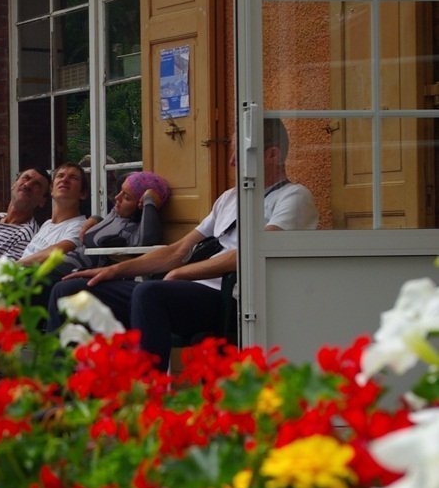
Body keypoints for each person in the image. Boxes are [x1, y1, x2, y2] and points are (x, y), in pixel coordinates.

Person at [47, 119, 318, 371]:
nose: (232, 161)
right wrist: (114, 271)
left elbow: (251, 253)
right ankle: (59, 391)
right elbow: (178, 250)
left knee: (150, 293)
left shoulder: (293, 197)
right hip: (189, 290)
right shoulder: (229, 198)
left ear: (272, 155)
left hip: (232, 299)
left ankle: (146, 393)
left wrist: (183, 272)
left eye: (239, 152)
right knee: (70, 289)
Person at [50, 171, 169, 279]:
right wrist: (96, 219)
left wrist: (149, 200)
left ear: (140, 206)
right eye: (120, 191)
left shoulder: (130, 230)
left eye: (126, 197)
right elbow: (108, 226)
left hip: (76, 275)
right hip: (59, 269)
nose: (117, 197)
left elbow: (148, 239)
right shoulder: (117, 214)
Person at [18, 162, 89, 267]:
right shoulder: (47, 224)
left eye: (73, 177)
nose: (64, 180)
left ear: (83, 193)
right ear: (51, 189)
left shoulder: (81, 226)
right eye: (60, 176)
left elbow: (56, 252)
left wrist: (13, 266)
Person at [0, 167, 50, 259]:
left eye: (37, 185)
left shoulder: (27, 234)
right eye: (26, 178)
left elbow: (6, 267)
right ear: (14, 184)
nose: (27, 184)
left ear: (42, 201)